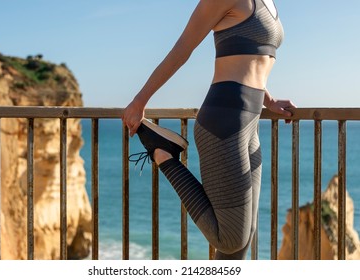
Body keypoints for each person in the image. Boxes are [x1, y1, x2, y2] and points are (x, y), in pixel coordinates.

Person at [122, 0, 296, 260]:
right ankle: (163, 155)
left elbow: (254, 58)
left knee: (243, 239)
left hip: (250, 122)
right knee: (229, 240)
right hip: (223, 122)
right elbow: (182, 49)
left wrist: (270, 101)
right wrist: (140, 100)